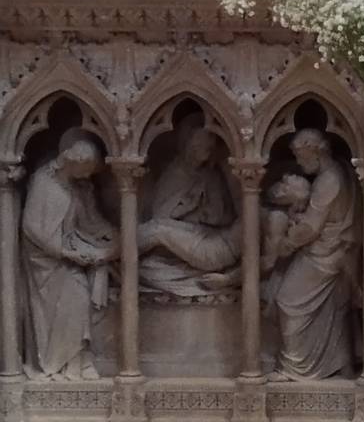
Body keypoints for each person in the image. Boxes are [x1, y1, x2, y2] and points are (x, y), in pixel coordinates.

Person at [22, 136, 119, 380]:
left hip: (69, 253)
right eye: (85, 170)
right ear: (71, 162)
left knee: (84, 290)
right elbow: (32, 228)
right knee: (77, 295)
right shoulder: (44, 183)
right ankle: (67, 362)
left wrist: (114, 236)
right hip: (46, 261)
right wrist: (67, 254)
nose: (88, 176)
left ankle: (81, 359)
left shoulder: (79, 187)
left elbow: (90, 222)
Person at [269, 129, 359, 380]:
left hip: (324, 255)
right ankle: (338, 364)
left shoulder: (328, 179)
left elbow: (311, 228)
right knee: (331, 311)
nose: (298, 162)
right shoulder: (336, 172)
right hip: (330, 252)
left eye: (300, 155)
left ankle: (293, 366)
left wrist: (286, 242)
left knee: (286, 300)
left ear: (315, 151)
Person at [138, 117, 237, 297]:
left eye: (208, 146)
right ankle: (121, 253)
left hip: (207, 237)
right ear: (187, 144)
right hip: (178, 238)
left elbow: (224, 216)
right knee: (156, 230)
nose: (204, 151)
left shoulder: (211, 175)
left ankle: (115, 252)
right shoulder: (174, 174)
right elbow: (160, 214)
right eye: (199, 145)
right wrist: (187, 208)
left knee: (156, 230)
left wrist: (201, 215)